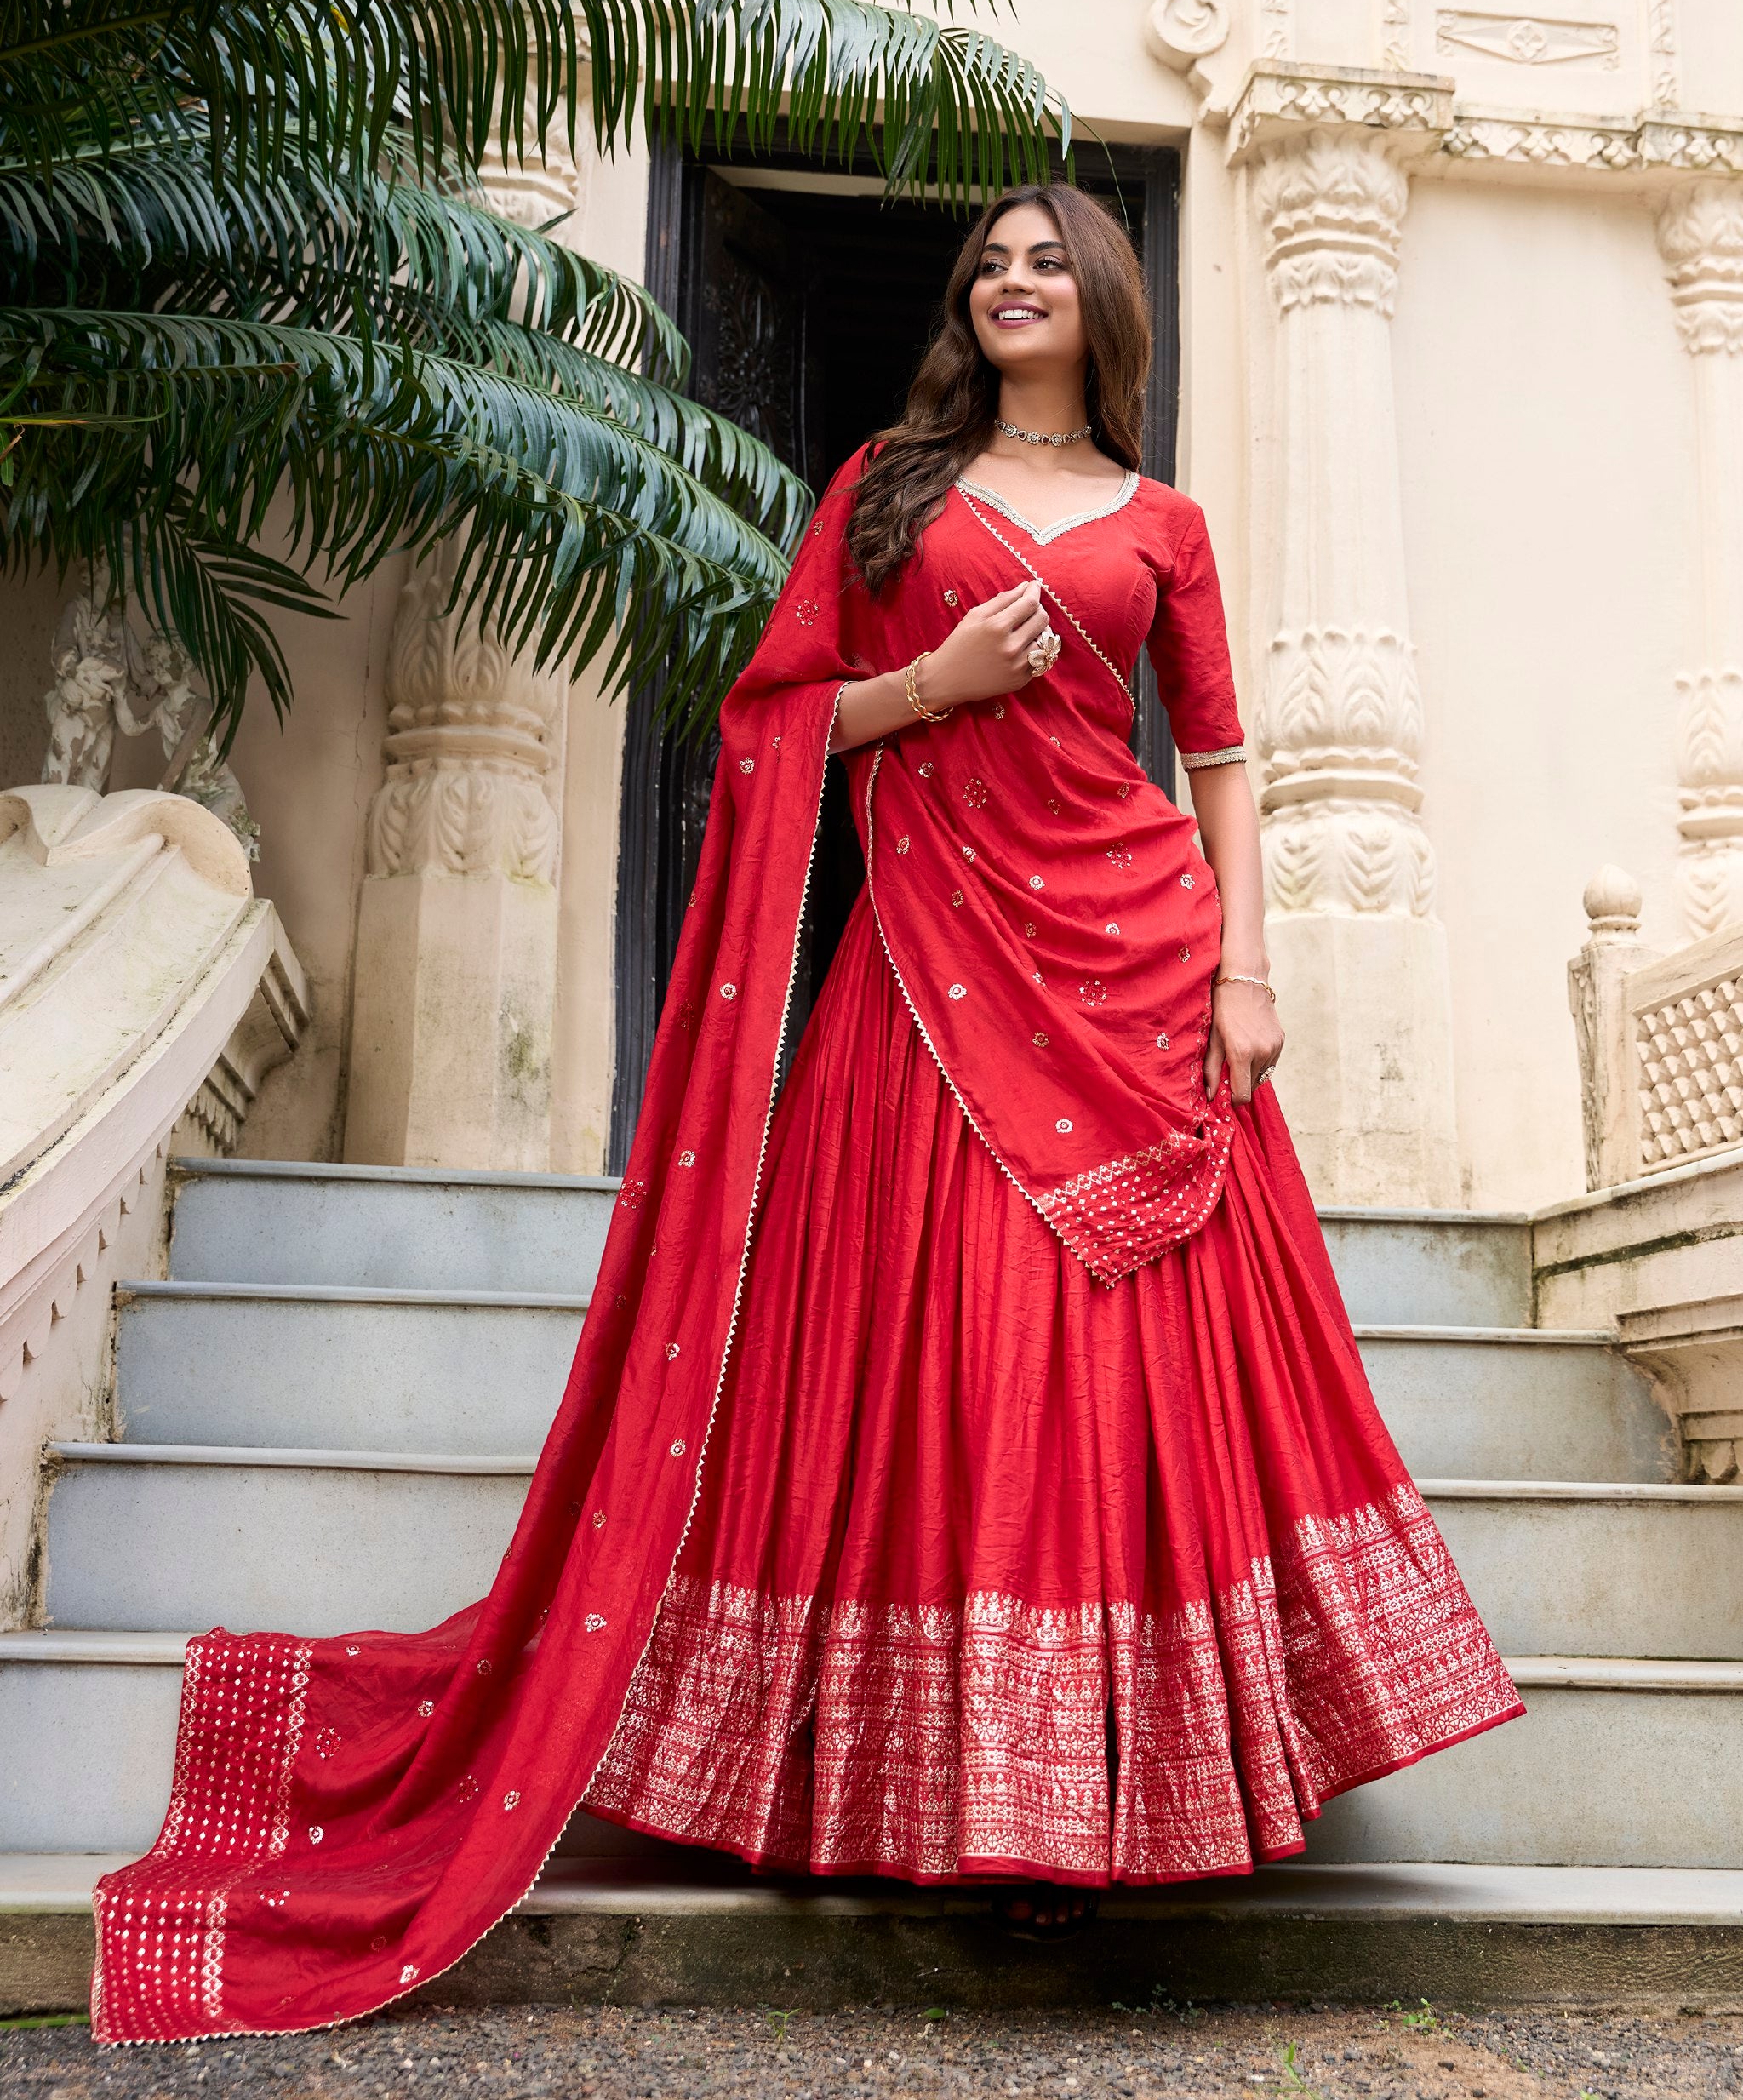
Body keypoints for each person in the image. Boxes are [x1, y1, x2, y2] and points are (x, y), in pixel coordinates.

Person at [93, 184, 1521, 2044]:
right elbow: (777, 722)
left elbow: (1225, 760)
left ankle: (1112, 1804)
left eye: (1043, 260)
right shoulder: (885, 493)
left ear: (1101, 300)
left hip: (1142, 979)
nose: (1011, 282)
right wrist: (926, 683)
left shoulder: (1166, 528)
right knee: (946, 1366)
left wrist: (1250, 970)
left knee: (1106, 1381)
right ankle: (913, 1798)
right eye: (987, 263)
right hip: (932, 988)